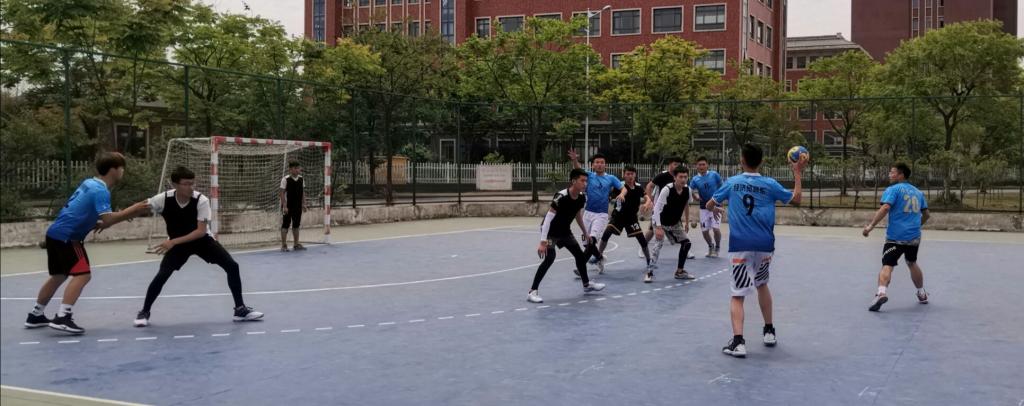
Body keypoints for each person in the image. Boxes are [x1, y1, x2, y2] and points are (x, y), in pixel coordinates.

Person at [25, 152, 151, 334]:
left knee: (58, 276)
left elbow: (82, 211)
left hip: (55, 233)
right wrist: (133, 209)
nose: (123, 171)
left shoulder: (89, 183)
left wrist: (105, 220)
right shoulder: (101, 191)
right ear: (113, 170)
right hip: (69, 237)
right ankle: (63, 317)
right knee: (83, 275)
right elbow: (108, 219)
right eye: (121, 168)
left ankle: (35, 315)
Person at [707, 144, 805, 358]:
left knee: (737, 295)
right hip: (765, 246)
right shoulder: (770, 184)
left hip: (740, 246)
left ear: (742, 160)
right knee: (762, 284)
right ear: (761, 161)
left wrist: (717, 207)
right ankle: (769, 331)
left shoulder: (732, 183)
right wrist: (797, 173)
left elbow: (708, 204)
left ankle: (738, 342)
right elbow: (797, 199)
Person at [133, 166, 264, 327]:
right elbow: (141, 206)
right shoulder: (163, 199)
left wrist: (172, 242)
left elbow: (200, 232)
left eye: (192, 183)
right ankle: (144, 312)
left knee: (232, 266)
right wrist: (120, 217)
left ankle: (240, 309)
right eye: (186, 184)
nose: (191, 187)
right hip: (179, 244)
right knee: (162, 275)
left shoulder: (201, 200)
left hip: (201, 241)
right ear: (174, 185)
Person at [528, 169, 607, 303]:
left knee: (580, 256)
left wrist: (585, 232)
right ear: (573, 181)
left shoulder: (582, 197)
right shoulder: (561, 196)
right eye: (582, 181)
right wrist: (543, 241)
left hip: (565, 231)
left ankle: (586, 284)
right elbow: (548, 218)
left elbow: (577, 215)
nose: (585, 183)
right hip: (551, 232)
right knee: (550, 258)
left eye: (586, 181)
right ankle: (532, 291)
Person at [862, 163, 930, 312]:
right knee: (912, 262)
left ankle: (881, 293)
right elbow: (926, 214)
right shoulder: (918, 192)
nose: (889, 174)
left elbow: (886, 207)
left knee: (887, 265)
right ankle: (922, 293)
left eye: (892, 172)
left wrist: (870, 226)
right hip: (914, 236)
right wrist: (916, 225)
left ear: (901, 175)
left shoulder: (893, 189)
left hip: (895, 236)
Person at [568, 149, 626, 274]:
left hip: (601, 215)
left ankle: (581, 267)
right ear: (593, 165)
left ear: (605, 165)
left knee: (592, 240)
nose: (599, 164)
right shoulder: (589, 176)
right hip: (588, 213)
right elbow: (578, 169)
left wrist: (622, 194)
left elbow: (624, 188)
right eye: (597, 162)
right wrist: (575, 160)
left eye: (602, 162)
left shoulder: (611, 178)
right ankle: (599, 257)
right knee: (586, 243)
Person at [595, 166, 652, 276]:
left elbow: (648, 198)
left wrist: (646, 204)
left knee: (642, 240)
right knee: (606, 233)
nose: (630, 176)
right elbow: (608, 197)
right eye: (628, 174)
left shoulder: (638, 188)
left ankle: (649, 261)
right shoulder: (619, 187)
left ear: (635, 175)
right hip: (618, 217)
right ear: (624, 175)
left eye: (632, 174)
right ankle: (599, 258)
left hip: (632, 218)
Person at [649, 167, 696, 282]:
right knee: (658, 246)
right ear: (675, 177)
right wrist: (658, 227)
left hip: (674, 223)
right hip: (660, 221)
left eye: (685, 177)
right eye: (680, 177)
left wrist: (686, 222)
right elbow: (657, 209)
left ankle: (679, 272)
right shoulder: (667, 189)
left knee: (686, 243)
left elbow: (686, 205)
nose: (683, 179)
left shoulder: (688, 190)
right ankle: (649, 273)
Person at [642, 157, 694, 259]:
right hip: (661, 210)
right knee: (652, 230)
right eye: (675, 164)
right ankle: (643, 246)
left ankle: (686, 250)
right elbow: (649, 186)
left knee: (680, 231)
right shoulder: (662, 176)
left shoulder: (682, 178)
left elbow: (685, 202)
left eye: (679, 165)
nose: (677, 166)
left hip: (674, 210)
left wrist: (687, 221)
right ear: (670, 165)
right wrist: (649, 201)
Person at [690, 156, 725, 257]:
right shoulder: (695, 179)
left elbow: (722, 187)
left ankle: (717, 248)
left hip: (716, 206)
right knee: (704, 231)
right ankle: (710, 247)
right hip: (703, 208)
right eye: (699, 165)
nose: (701, 166)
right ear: (696, 166)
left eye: (703, 164)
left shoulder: (714, 175)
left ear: (707, 165)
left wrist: (721, 200)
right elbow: (690, 190)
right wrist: (695, 196)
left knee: (716, 229)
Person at [280, 161, 306, 252]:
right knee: (285, 225)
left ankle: (296, 244)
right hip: (288, 206)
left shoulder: (301, 179)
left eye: (298, 168)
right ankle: (284, 245)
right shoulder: (285, 179)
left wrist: (304, 204)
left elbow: (303, 192)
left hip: (297, 206)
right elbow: (282, 193)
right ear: (291, 169)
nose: (298, 170)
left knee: (296, 225)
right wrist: (284, 206)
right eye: (296, 168)